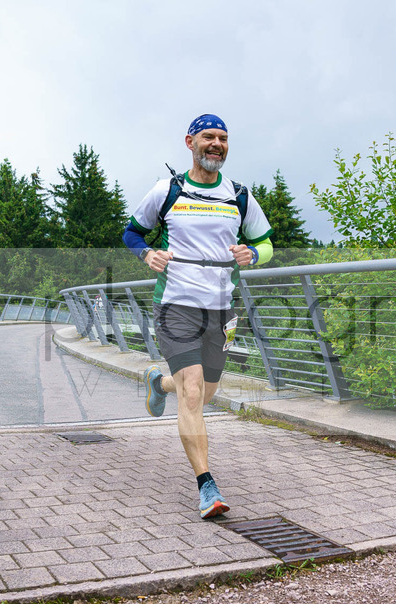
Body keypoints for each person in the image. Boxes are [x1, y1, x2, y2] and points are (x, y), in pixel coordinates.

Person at [122, 114, 274, 519]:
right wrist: (147, 253)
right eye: (209, 137)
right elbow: (132, 232)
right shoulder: (168, 190)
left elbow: (265, 243)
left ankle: (160, 382)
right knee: (193, 394)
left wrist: (254, 254)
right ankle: (207, 486)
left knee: (205, 393)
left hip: (221, 309)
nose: (217, 144)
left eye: (223, 139)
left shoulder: (239, 195)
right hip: (176, 304)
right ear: (190, 141)